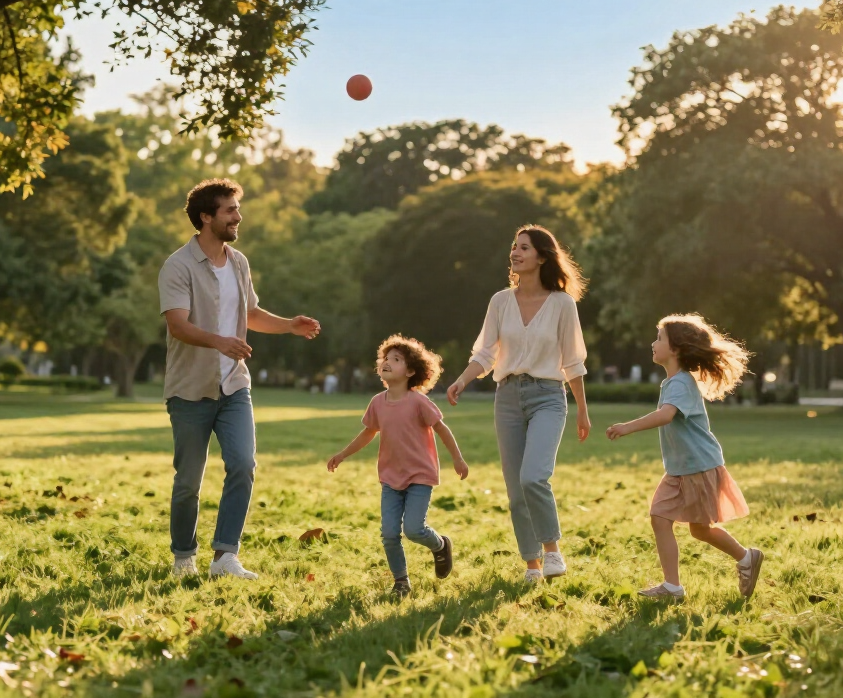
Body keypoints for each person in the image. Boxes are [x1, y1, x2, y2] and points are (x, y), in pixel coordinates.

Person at [158, 179, 321, 580]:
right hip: (189, 390)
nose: (238, 216)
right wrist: (220, 342)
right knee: (188, 483)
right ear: (206, 217)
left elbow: (251, 313)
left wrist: (289, 325)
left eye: (237, 208)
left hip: (234, 385)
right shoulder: (177, 266)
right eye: (230, 210)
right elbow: (178, 326)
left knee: (244, 464)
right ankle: (183, 557)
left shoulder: (239, 262)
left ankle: (224, 557)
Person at [445, 225, 591, 584]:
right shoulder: (500, 301)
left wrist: (583, 410)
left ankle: (552, 550)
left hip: (547, 396)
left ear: (541, 256)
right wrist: (463, 380)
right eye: (513, 246)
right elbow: (486, 353)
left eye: (523, 247)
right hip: (507, 397)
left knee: (533, 476)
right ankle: (532, 566)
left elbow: (572, 361)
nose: (515, 252)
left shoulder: (562, 304)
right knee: (515, 490)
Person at [606, 314, 764, 599]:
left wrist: (627, 427)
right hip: (684, 468)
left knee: (689, 526)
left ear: (675, 349)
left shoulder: (680, 383)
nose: (653, 344)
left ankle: (688, 580)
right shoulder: (674, 383)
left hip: (696, 467)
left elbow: (666, 416)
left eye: (659, 339)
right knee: (684, 525)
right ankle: (735, 562)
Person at [328, 335, 468, 597]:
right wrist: (342, 454)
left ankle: (439, 545)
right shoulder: (377, 403)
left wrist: (457, 459)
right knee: (390, 533)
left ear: (411, 371)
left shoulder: (418, 402)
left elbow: (442, 429)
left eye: (396, 360)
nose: (387, 363)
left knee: (414, 529)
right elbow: (368, 433)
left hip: (420, 475)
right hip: (390, 477)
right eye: (385, 358)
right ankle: (401, 582)